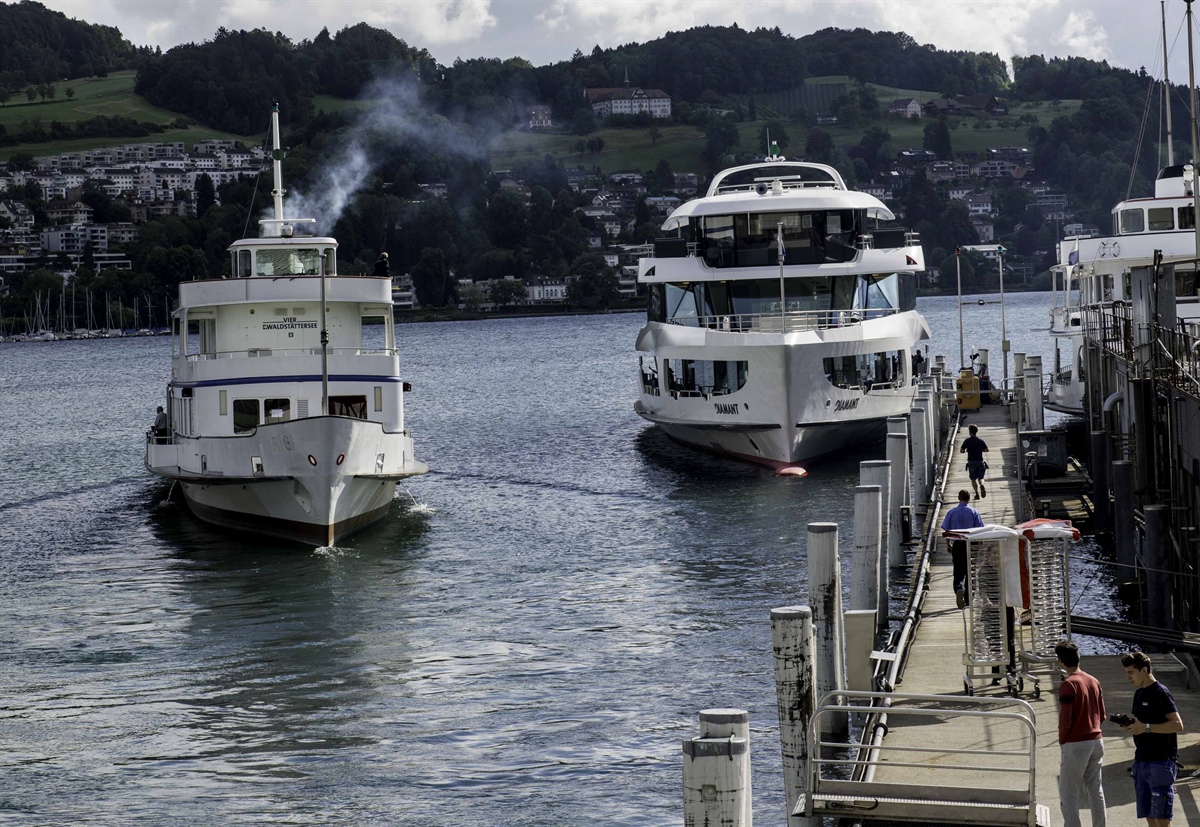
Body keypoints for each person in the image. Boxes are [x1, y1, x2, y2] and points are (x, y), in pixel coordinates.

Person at [1120, 651, 1184, 827]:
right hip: (1141, 760)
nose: (1128, 677)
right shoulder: (1139, 694)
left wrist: (1146, 727)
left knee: (1162, 818)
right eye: (1126, 673)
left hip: (1161, 762)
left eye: (1131, 672)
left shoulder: (1161, 692)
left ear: (1144, 670)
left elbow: (1178, 725)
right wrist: (1132, 726)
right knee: (1149, 814)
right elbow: (1141, 724)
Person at [1056, 640, 1107, 827]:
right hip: (1096, 739)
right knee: (1095, 791)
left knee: (1069, 793)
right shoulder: (1094, 681)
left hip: (1076, 743)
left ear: (1060, 661)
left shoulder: (1068, 685)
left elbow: (1065, 719)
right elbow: (1102, 715)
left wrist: (1063, 741)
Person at [940, 488, 983, 609]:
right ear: (969, 499)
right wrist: (980, 546)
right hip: (970, 544)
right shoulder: (974, 512)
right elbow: (980, 530)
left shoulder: (951, 512)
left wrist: (948, 545)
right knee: (970, 571)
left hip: (957, 544)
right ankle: (969, 599)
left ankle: (959, 588)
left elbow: (946, 530)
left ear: (959, 498)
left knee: (958, 571)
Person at [960, 423, 990, 499]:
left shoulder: (967, 441)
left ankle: (977, 494)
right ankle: (982, 484)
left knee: (973, 479)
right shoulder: (980, 440)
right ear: (976, 431)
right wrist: (980, 450)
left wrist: (966, 450)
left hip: (972, 462)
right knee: (981, 478)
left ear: (970, 432)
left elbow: (961, 450)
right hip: (980, 462)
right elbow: (986, 450)